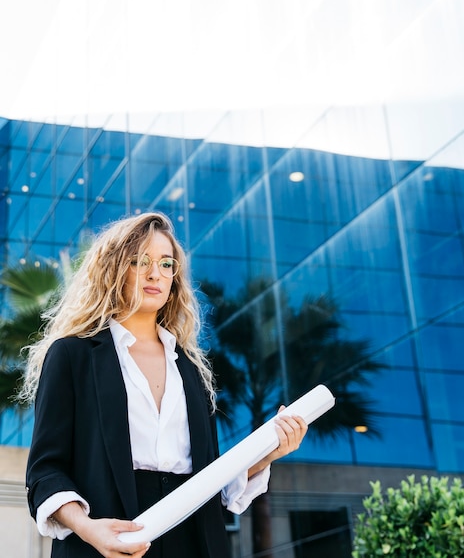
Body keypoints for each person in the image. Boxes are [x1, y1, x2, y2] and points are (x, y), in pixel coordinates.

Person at [22, 212, 308, 558]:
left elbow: (209, 478)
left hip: (194, 541)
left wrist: (267, 455)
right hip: (106, 539)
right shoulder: (73, 355)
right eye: (140, 261)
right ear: (114, 269)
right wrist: (88, 528)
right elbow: (45, 471)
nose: (155, 273)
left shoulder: (189, 368)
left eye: (166, 263)